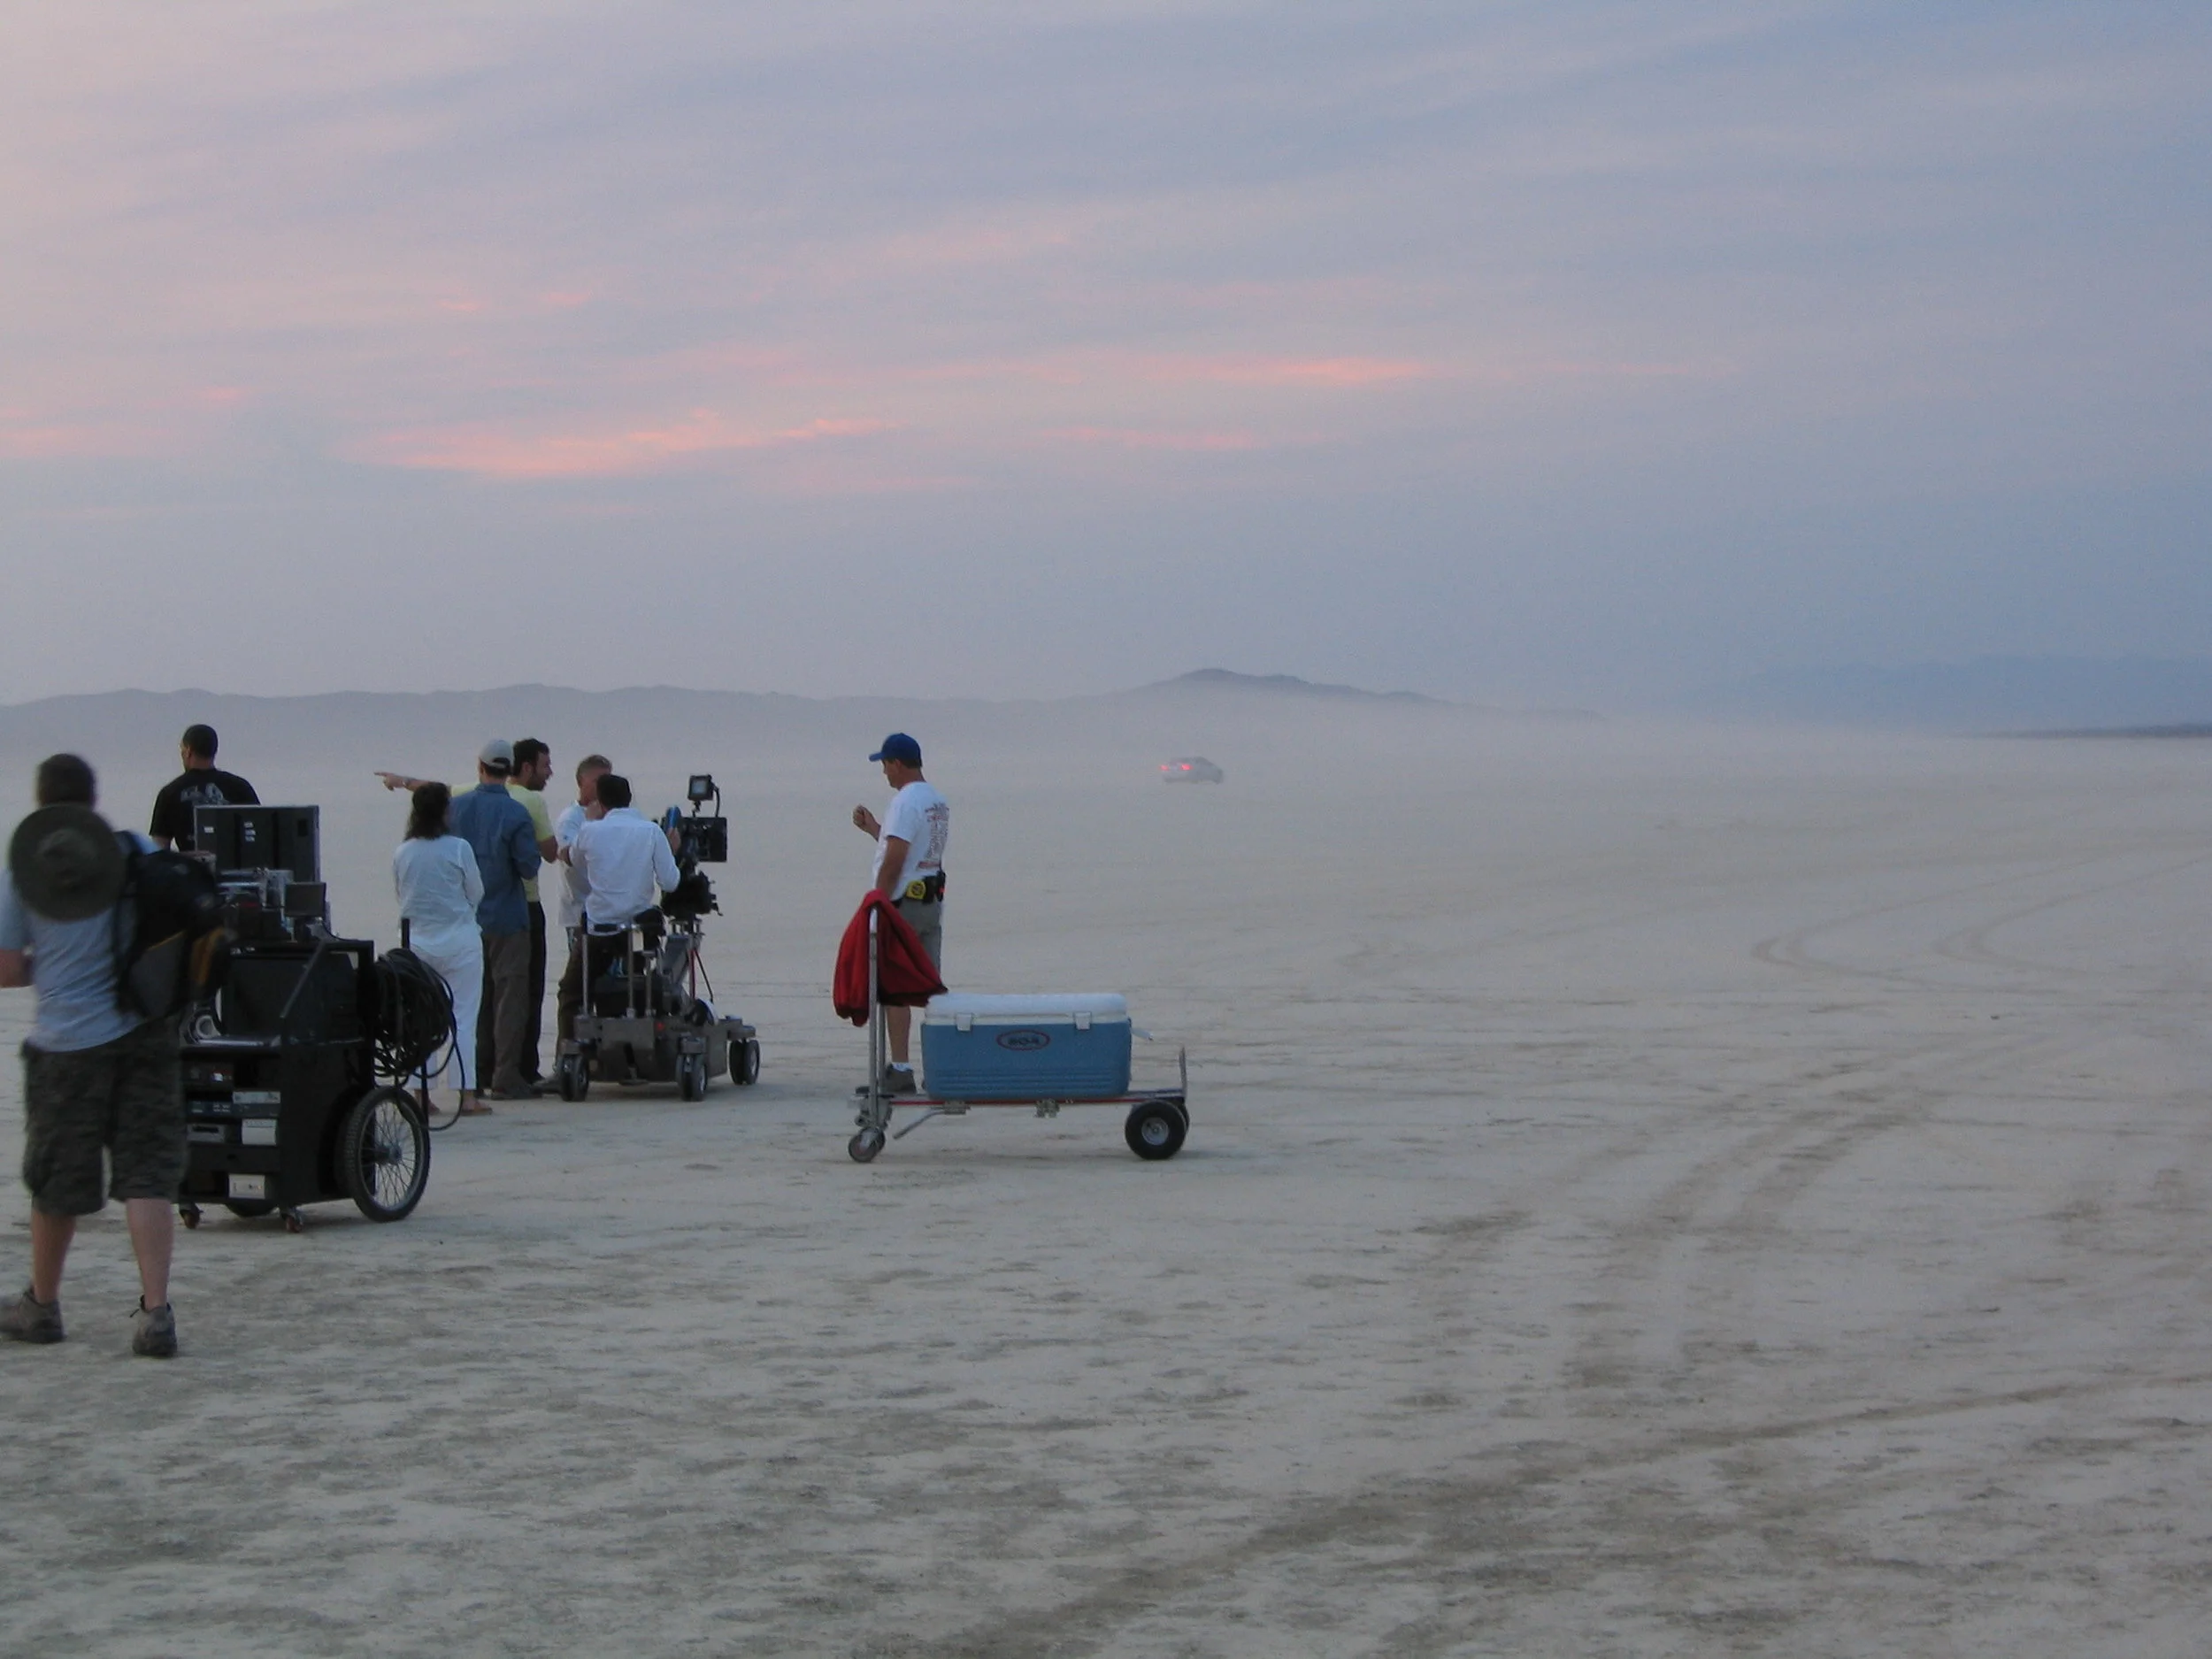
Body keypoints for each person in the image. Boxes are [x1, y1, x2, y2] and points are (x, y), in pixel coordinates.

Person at [0, 755, 185, 1356]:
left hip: (66, 1047)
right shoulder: (135, 849)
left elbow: (7, 969)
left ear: (41, 805)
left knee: (57, 1180)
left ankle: (42, 1305)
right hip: (145, 1034)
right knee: (147, 1173)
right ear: (93, 799)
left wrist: (52, 965)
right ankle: (155, 1314)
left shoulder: (21, 874)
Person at [850, 732, 949, 1094]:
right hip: (929, 902)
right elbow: (913, 847)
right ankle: (942, 1064)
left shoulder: (905, 802)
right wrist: (875, 829)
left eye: (885, 765)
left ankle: (902, 1068)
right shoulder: (935, 800)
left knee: (894, 988)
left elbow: (896, 858)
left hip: (903, 905)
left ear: (896, 763)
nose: (884, 773)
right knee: (929, 986)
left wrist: (877, 900)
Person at [449, 741, 543, 1100]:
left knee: (474, 998)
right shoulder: (516, 813)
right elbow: (528, 867)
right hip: (507, 916)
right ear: (511, 769)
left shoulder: (456, 808)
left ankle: (473, 1073)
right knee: (510, 997)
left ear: (480, 766)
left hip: (466, 917)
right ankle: (506, 1075)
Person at [559, 773, 681, 1039]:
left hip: (599, 931)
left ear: (600, 802)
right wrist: (670, 853)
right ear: (629, 798)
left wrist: (589, 822)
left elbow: (574, 860)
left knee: (572, 991)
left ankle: (569, 1049)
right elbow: (670, 882)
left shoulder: (590, 831)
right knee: (634, 988)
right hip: (638, 933)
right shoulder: (651, 832)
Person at [392, 782, 488, 1116]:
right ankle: (467, 1095)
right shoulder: (459, 848)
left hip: (418, 943)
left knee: (421, 1018)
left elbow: (402, 895)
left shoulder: (403, 852)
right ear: (445, 811)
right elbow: (476, 892)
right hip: (460, 941)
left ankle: (422, 1094)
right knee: (463, 1018)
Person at [507, 739, 560, 1086]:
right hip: (525, 905)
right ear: (526, 767)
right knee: (529, 989)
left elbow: (442, 790)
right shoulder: (532, 801)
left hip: (487, 907)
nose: (549, 773)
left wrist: (404, 781)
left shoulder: (475, 794)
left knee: (493, 991)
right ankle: (525, 1068)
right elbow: (550, 853)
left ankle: (490, 1066)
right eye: (545, 766)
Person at [552, 754, 612, 1047]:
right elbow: (569, 857)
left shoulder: (614, 817)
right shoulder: (572, 818)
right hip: (580, 913)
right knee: (581, 984)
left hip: (611, 914)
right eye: (598, 781)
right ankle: (577, 1047)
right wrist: (591, 826)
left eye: (608, 781)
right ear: (581, 782)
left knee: (611, 985)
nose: (603, 787)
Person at [149, 722, 258, 852]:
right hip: (235, 863)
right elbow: (261, 831)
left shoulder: (170, 792)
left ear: (188, 751)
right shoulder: (240, 787)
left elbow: (159, 849)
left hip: (190, 865)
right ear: (214, 751)